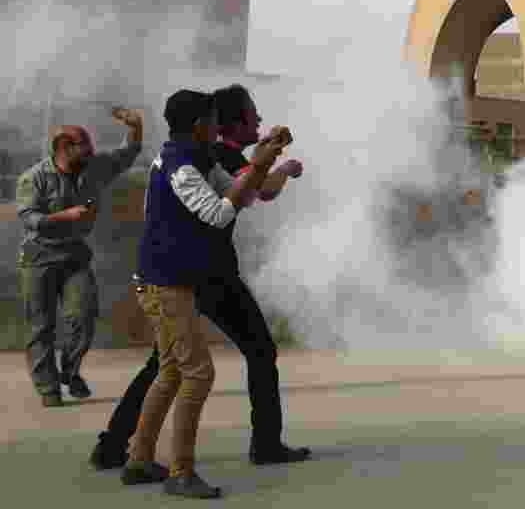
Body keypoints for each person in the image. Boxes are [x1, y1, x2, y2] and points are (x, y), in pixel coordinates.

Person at [91, 84, 309, 471]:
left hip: (190, 274)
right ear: (212, 125)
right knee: (225, 361)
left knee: (166, 365)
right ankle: (228, 455)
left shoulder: (205, 156)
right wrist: (277, 167)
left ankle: (118, 447)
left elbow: (244, 191)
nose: (258, 120)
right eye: (252, 115)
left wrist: (268, 157)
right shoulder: (198, 159)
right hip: (199, 276)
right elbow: (234, 205)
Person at [15, 109, 143, 406]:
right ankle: (48, 388)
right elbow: (30, 218)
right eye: (83, 147)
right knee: (41, 326)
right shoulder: (34, 178)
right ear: (63, 148)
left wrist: (136, 127)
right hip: (38, 256)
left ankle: (70, 372)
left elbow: (127, 153)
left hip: (74, 254)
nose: (91, 152)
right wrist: (65, 215)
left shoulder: (94, 167)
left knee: (83, 317)